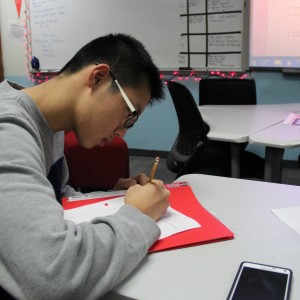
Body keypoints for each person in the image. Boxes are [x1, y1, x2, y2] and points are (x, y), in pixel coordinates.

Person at [0, 33, 170, 299]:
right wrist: (140, 216)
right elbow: (54, 275)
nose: (123, 133)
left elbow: (55, 197)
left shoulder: (50, 123)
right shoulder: (8, 129)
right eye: (130, 115)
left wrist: (104, 198)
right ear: (98, 77)